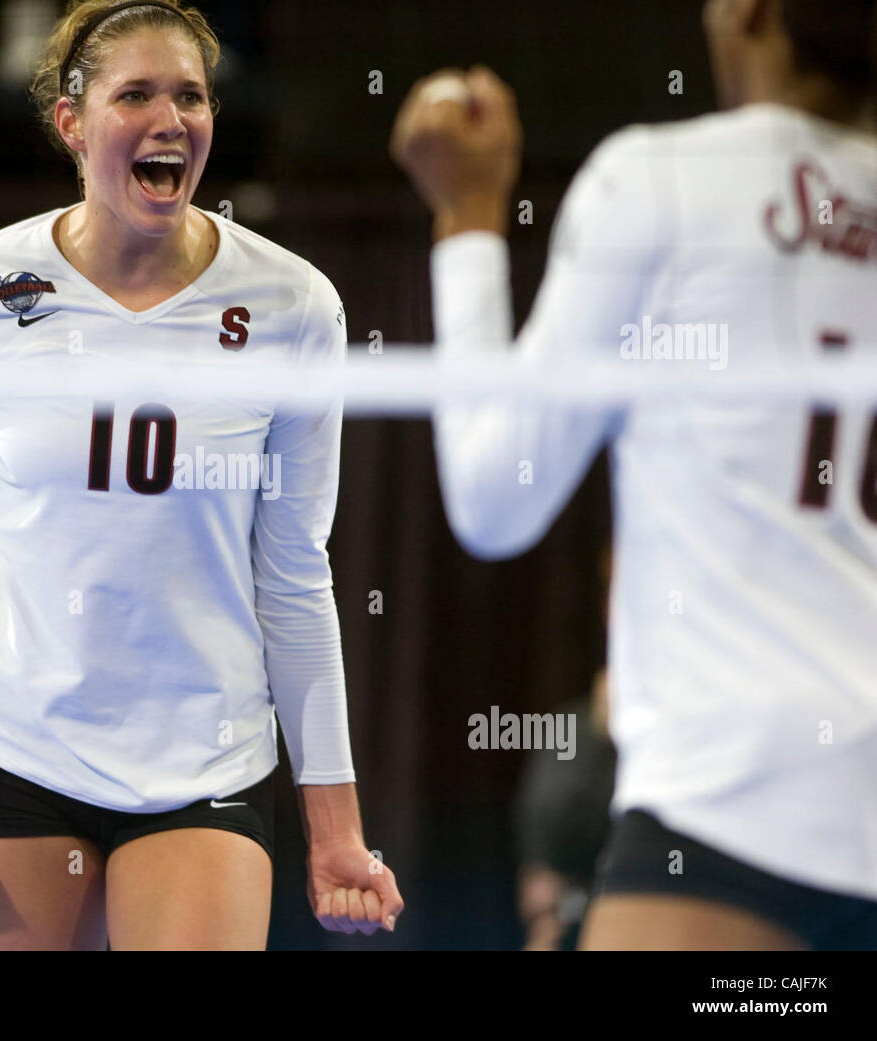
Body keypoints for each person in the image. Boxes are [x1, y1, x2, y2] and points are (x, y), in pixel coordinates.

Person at [0, 0, 402, 950]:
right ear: (72, 124)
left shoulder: (294, 305)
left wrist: (336, 828)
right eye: (135, 94)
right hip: (14, 740)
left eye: (191, 96)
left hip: (202, 755)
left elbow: (296, 575)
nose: (170, 119)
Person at [391, 0, 877, 949]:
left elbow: (497, 496)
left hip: (735, 803)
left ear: (751, 13)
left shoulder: (664, 180)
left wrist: (470, 214)